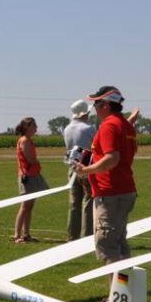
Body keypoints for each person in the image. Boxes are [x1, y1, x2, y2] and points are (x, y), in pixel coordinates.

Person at [72, 86, 138, 302]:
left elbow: (112, 158)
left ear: (106, 105)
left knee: (107, 246)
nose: (93, 108)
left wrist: (86, 170)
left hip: (110, 194)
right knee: (120, 244)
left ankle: (116, 301)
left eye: (96, 104)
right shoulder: (125, 124)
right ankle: (124, 295)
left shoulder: (109, 125)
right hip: (125, 190)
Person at [63, 99, 96, 240]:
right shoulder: (89, 128)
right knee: (88, 201)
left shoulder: (67, 129)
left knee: (74, 204)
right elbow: (97, 146)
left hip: (72, 167)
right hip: (87, 166)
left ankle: (72, 236)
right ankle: (87, 235)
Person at [13, 117, 49, 243]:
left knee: (30, 206)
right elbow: (29, 159)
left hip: (33, 175)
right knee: (24, 206)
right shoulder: (24, 141)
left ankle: (26, 234)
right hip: (27, 177)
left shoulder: (29, 140)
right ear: (27, 127)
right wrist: (37, 161)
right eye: (34, 126)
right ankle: (17, 235)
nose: (36, 128)